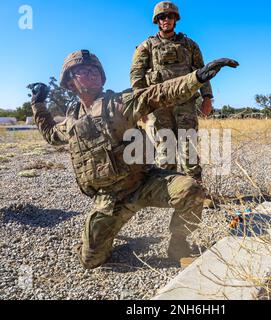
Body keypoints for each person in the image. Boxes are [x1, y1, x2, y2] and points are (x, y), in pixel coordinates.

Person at [29, 49, 238, 269]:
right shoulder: (71, 123)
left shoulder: (121, 103)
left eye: (94, 70)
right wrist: (38, 104)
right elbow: (51, 135)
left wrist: (196, 78)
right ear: (70, 82)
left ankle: (179, 245)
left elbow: (158, 93)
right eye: (82, 71)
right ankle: (105, 240)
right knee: (91, 261)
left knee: (190, 189)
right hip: (110, 199)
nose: (91, 74)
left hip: (144, 182)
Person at [130, 1, 213, 181]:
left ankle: (196, 192)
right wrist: (141, 106)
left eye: (170, 16)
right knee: (165, 150)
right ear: (157, 21)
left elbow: (202, 72)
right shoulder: (146, 47)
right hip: (158, 106)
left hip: (186, 103)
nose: (166, 20)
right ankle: (170, 192)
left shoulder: (190, 45)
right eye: (162, 17)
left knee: (189, 148)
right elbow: (137, 77)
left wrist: (207, 97)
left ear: (176, 19)